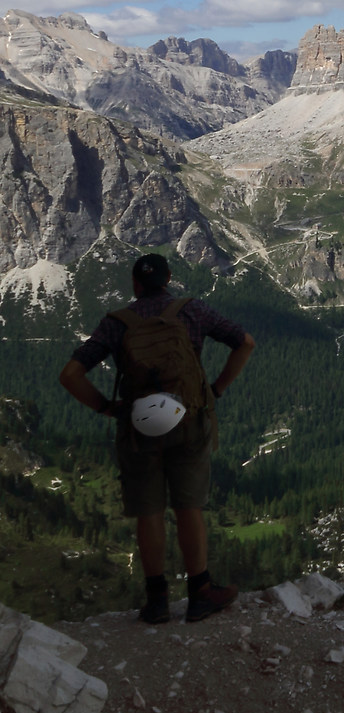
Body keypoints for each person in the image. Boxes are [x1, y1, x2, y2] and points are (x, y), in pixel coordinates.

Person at [59, 252, 255, 625]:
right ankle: (200, 592)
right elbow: (245, 342)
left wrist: (106, 407)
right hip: (190, 422)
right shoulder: (192, 311)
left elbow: (70, 375)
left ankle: (156, 601)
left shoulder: (117, 323)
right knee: (188, 507)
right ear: (168, 280)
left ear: (135, 285)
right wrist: (215, 390)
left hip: (138, 428)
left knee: (148, 512)